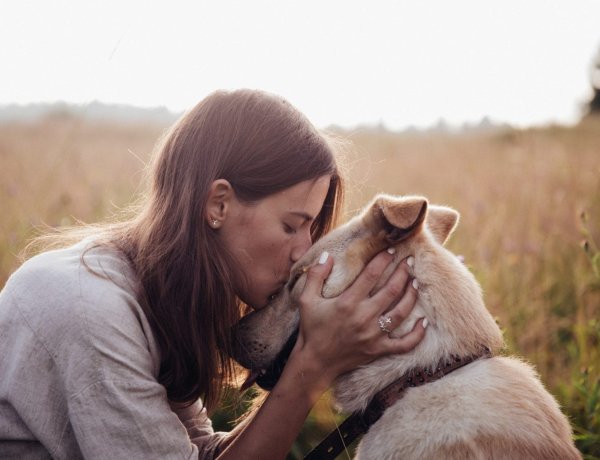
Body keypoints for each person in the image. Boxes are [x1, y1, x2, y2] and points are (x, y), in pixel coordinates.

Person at [0, 89, 426, 459]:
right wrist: (313, 364)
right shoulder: (90, 311)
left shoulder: (156, 297)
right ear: (218, 203)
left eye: (313, 229)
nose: (304, 253)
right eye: (291, 225)